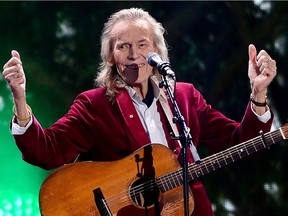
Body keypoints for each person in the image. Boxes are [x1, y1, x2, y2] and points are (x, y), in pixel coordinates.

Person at [2, 8, 277, 216]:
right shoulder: (95, 105)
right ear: (110, 56)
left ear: (158, 51)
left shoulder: (185, 96)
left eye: (143, 44)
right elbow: (46, 150)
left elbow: (241, 143)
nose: (134, 54)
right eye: (123, 46)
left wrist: (259, 92)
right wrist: (20, 98)